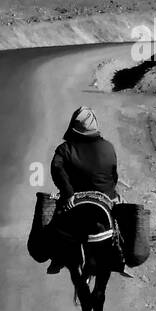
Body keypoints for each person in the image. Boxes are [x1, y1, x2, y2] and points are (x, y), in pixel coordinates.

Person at [45, 106, 120, 275]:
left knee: (57, 220)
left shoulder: (64, 150)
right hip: (106, 197)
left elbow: (58, 172)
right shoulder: (109, 147)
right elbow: (114, 176)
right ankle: (121, 253)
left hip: (75, 199)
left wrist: (68, 193)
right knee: (119, 219)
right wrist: (109, 192)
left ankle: (57, 259)